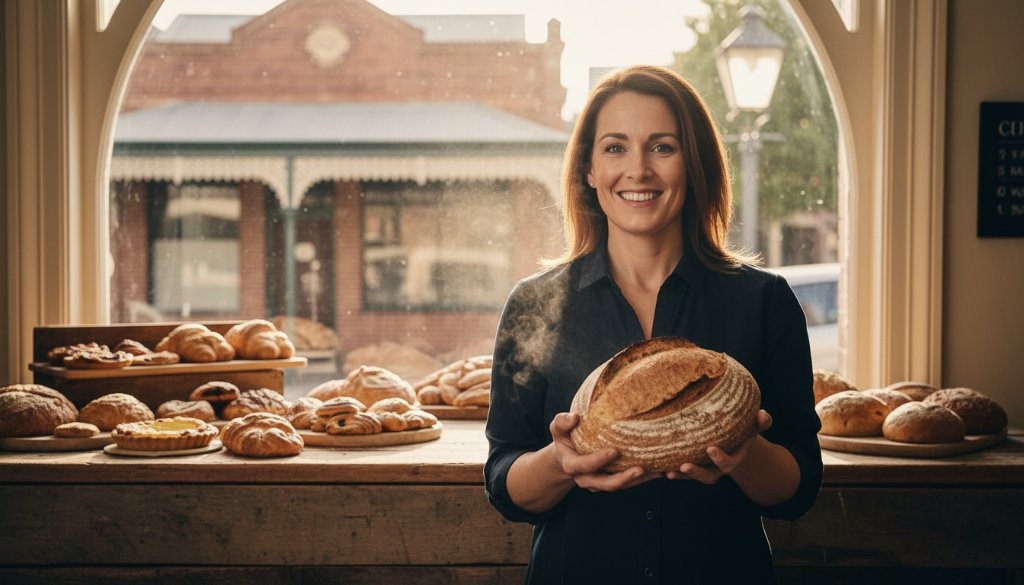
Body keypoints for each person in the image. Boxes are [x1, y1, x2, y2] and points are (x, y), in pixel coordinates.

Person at [484, 64, 822, 584]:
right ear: (589, 170)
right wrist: (561, 464)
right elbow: (505, 482)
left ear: (695, 164)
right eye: (615, 148)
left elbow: (799, 489)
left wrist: (744, 453)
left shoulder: (764, 301)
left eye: (662, 147)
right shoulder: (534, 305)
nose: (637, 170)